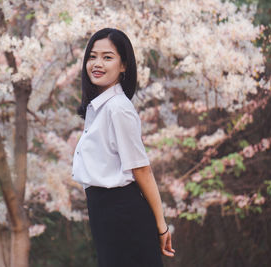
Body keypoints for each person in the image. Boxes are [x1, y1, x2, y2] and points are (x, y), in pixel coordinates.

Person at [71, 28, 175, 267]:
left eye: (107, 57)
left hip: (122, 212)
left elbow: (141, 170)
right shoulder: (98, 108)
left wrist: (161, 226)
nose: (97, 63)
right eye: (92, 56)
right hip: (104, 211)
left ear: (124, 66)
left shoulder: (118, 108)